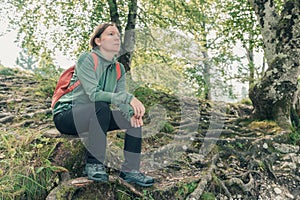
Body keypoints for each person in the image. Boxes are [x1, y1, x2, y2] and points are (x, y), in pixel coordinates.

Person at [52, 22, 154, 187]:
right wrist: (129, 98)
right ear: (98, 41)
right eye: (111, 34)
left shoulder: (119, 69)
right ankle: (93, 164)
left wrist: (131, 112)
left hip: (96, 116)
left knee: (132, 117)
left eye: (118, 36)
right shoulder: (87, 59)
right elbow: (94, 94)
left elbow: (121, 102)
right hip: (67, 116)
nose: (117, 38)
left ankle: (130, 170)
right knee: (100, 104)